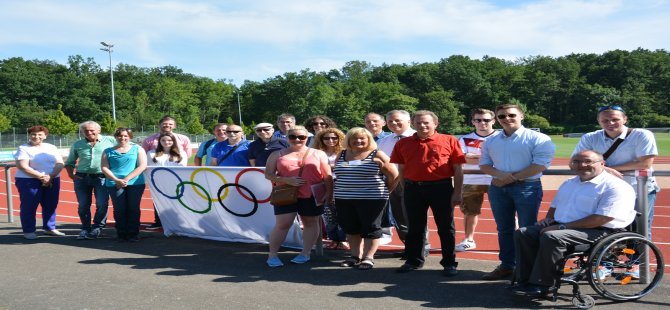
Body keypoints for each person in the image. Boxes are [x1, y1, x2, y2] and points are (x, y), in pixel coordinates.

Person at [511, 150, 636, 297]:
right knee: (524, 233)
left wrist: (561, 227)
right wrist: (548, 220)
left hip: (599, 230)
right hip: (565, 227)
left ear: (602, 164)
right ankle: (525, 280)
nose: (582, 165)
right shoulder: (570, 183)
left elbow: (602, 218)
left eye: (588, 162)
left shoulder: (615, 186)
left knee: (552, 236)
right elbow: (555, 206)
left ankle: (544, 284)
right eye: (576, 162)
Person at [479, 104, 555, 280]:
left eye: (511, 115)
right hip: (498, 188)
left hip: (527, 187)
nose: (506, 119)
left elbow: (541, 164)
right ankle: (507, 266)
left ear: (521, 116)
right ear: (497, 119)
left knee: (527, 229)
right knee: (504, 229)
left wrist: (510, 178)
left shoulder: (538, 138)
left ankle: (527, 269)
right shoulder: (491, 141)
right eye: (502, 116)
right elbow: (484, 164)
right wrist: (501, 176)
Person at [390, 110, 465, 276]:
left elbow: (458, 169)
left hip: (441, 188)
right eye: (418, 123)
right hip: (413, 189)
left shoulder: (449, 140)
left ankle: (449, 263)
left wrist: (457, 192)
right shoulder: (403, 143)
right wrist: (406, 188)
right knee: (414, 227)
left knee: (446, 227)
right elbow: (401, 169)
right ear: (413, 124)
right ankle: (413, 260)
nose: (422, 125)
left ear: (435, 124)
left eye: (426, 122)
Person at [572, 105, 659, 239]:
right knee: (605, 226)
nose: (610, 123)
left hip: (638, 189)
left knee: (641, 228)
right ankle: (610, 258)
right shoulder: (590, 137)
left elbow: (645, 163)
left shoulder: (641, 135)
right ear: (598, 121)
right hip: (605, 190)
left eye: (615, 119)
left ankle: (639, 259)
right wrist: (604, 169)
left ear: (625, 119)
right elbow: (574, 162)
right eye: (605, 121)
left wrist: (604, 169)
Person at [264, 126, 333, 267]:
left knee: (311, 223)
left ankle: (305, 253)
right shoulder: (277, 154)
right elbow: (268, 174)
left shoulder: (318, 154)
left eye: (301, 137)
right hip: (285, 193)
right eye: (293, 136)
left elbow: (327, 176)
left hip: (311, 194)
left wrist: (329, 193)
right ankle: (272, 255)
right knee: (283, 224)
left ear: (307, 138)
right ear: (287, 138)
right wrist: (286, 180)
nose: (297, 139)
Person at [334, 127, 398, 270]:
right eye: (354, 138)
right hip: (344, 198)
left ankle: (368, 257)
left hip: (372, 199)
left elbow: (394, 175)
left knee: (371, 228)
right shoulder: (342, 154)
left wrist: (387, 190)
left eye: (362, 138)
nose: (358, 141)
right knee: (351, 228)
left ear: (369, 140)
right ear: (348, 140)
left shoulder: (377, 154)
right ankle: (354, 256)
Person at [377, 110, 430, 259]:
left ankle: (422, 247)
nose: (393, 123)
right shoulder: (384, 141)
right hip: (394, 182)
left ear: (409, 121)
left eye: (397, 120)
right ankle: (409, 247)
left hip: (415, 182)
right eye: (390, 122)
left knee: (416, 217)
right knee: (400, 217)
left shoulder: (419, 137)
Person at [64, 121, 117, 240]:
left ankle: (97, 228)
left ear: (99, 130)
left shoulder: (110, 141)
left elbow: (126, 147)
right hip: (82, 177)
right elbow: (70, 162)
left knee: (102, 204)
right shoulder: (77, 144)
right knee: (83, 205)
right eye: (86, 130)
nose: (89, 132)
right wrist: (71, 175)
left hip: (102, 177)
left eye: (92, 130)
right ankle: (85, 228)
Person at [456, 109, 499, 251]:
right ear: (473, 121)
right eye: (478, 120)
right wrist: (490, 158)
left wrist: (473, 156)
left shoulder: (501, 137)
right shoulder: (465, 139)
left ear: (493, 121)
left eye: (486, 120)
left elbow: (503, 159)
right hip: (471, 179)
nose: (482, 123)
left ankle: (513, 238)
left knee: (505, 211)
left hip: (497, 179)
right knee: (470, 212)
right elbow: (462, 158)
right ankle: (468, 239)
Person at [14, 125, 65, 239]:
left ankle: (49, 228)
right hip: (29, 180)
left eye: (40, 134)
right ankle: (29, 231)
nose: (36, 137)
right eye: (33, 134)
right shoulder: (23, 148)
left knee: (51, 204)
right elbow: (23, 166)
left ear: (45, 136)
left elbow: (60, 163)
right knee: (29, 206)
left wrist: (51, 176)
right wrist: (42, 177)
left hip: (52, 179)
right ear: (29, 135)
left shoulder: (51, 147)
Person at [142, 115, 192, 229]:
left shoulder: (183, 139)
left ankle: (180, 222)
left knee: (178, 201)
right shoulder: (149, 141)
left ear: (174, 126)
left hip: (176, 179)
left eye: (170, 124)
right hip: (158, 180)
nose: (167, 126)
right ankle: (159, 221)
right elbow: (145, 160)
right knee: (158, 201)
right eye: (165, 123)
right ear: (159, 125)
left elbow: (186, 157)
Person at [101, 128, 147, 242]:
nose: (123, 138)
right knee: (119, 209)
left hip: (135, 183)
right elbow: (104, 167)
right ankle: (121, 233)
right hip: (114, 183)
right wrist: (116, 180)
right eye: (120, 136)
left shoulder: (138, 149)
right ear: (116, 137)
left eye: (126, 136)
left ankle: (133, 233)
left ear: (130, 137)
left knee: (133, 208)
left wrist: (126, 179)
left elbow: (142, 166)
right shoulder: (108, 151)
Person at [312, 128, 349, 250]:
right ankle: (333, 239)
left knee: (343, 214)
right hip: (323, 185)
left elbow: (348, 166)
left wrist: (328, 167)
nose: (330, 140)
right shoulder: (316, 152)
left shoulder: (345, 151)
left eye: (334, 138)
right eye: (326, 138)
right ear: (321, 140)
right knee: (328, 215)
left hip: (341, 185)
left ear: (339, 139)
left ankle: (343, 239)